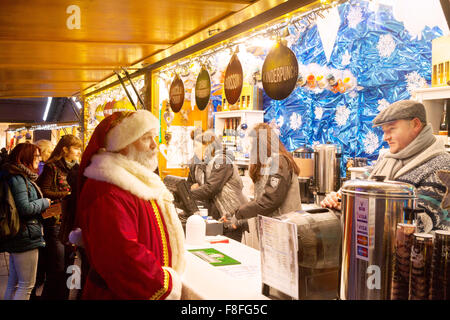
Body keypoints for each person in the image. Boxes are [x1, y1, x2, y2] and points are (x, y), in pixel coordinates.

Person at [76, 110, 185, 299]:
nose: (154, 145)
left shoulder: (133, 180)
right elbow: (122, 254)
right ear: (123, 145)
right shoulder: (107, 190)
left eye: (155, 137)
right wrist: (164, 283)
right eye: (145, 138)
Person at [321, 100, 450, 233]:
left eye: (391, 129)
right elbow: (360, 184)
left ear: (416, 124)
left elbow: (418, 224)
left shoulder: (442, 166)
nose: (385, 137)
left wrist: (351, 206)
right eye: (384, 131)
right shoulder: (387, 158)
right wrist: (338, 197)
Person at [231, 123, 302, 249]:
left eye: (253, 145)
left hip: (283, 234)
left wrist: (240, 213)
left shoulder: (280, 162)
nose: (251, 149)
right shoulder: (266, 164)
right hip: (271, 233)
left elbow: (270, 201)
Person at [0, 143, 51, 300]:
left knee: (14, 283)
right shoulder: (18, 178)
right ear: (26, 157)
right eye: (36, 156)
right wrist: (45, 202)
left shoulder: (12, 174)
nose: (39, 159)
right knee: (26, 285)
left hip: (19, 233)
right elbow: (25, 208)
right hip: (25, 235)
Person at [36, 134, 82, 300]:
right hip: (54, 222)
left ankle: (63, 296)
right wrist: (67, 194)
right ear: (65, 149)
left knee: (70, 266)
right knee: (57, 267)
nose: (78, 151)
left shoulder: (78, 168)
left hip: (70, 221)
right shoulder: (51, 167)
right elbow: (44, 190)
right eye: (76, 148)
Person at [187, 129, 248, 241]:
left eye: (196, 146)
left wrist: (189, 193)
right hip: (216, 218)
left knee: (229, 255)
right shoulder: (202, 165)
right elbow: (189, 184)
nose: (194, 150)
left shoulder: (222, 161)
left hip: (232, 217)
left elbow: (210, 189)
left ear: (207, 146)